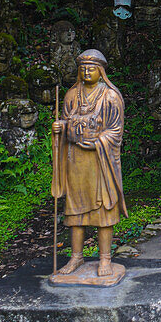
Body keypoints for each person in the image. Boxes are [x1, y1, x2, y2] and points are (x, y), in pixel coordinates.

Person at [52, 49, 127, 278]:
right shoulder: (71, 95)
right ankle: (76, 257)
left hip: (100, 161)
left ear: (101, 71)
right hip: (76, 160)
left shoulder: (110, 97)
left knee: (103, 210)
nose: (86, 72)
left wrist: (97, 142)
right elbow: (66, 120)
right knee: (76, 211)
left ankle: (105, 258)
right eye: (82, 68)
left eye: (91, 68)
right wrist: (61, 128)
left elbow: (116, 132)